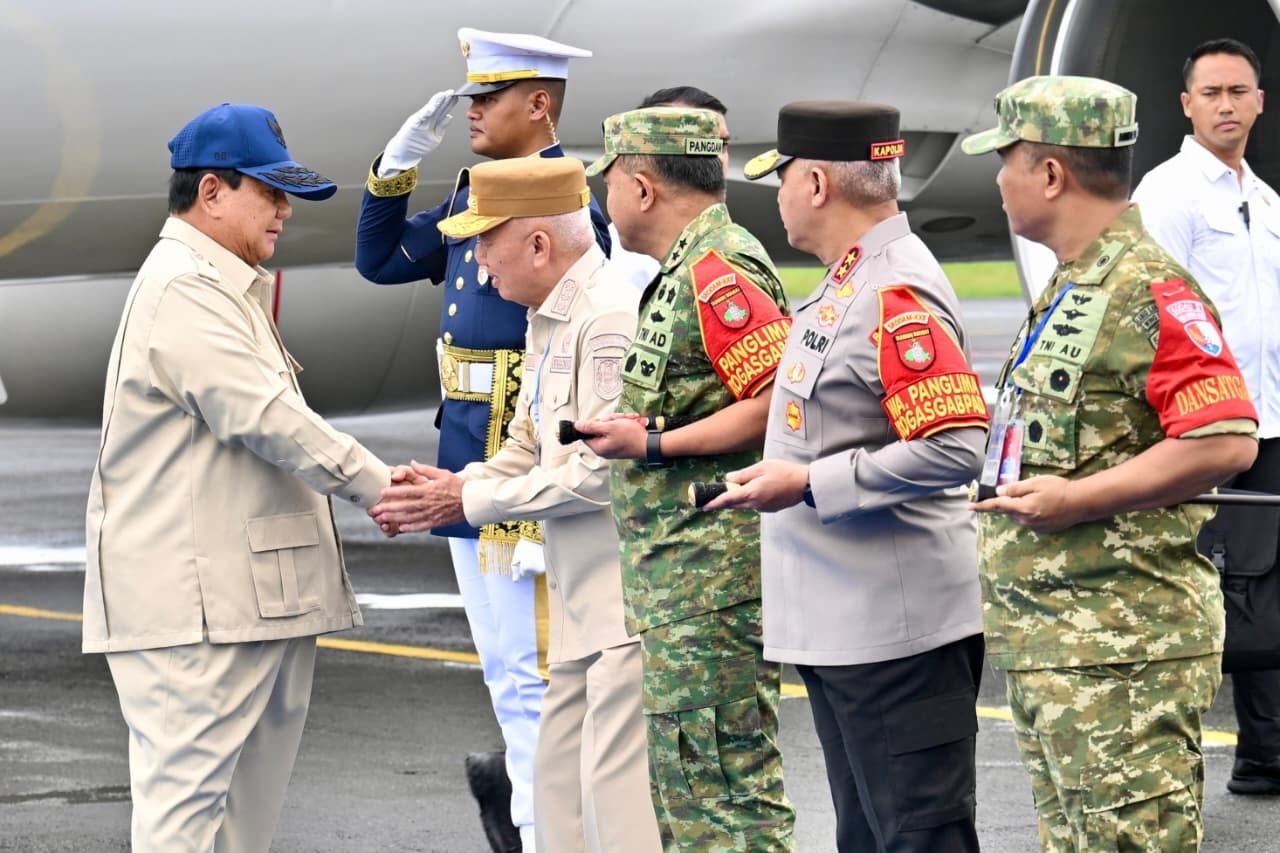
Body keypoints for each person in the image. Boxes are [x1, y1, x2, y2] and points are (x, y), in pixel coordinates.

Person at [82, 103, 392, 852]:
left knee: (237, 830)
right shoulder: (185, 288)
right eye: (271, 190)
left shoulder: (223, 283)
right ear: (212, 191)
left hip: (244, 602)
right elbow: (264, 416)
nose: (285, 209)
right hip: (198, 613)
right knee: (183, 829)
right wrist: (388, 488)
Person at [963, 75, 1260, 850]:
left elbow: (1226, 438)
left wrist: (1079, 498)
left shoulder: (1146, 285)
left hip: (1121, 651)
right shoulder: (1076, 282)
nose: (998, 180)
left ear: (1052, 173)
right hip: (1058, 644)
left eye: (1008, 160)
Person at [707, 100, 990, 851]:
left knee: (919, 837)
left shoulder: (895, 288)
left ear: (818, 183)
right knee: (867, 836)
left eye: (784, 178)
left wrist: (805, 484)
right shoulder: (849, 278)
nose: (779, 194)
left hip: (896, 637)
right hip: (846, 628)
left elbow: (957, 445)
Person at [353, 27, 611, 851]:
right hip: (471, 470)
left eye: (487, 98)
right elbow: (383, 259)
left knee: (537, 677)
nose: (471, 112)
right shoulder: (478, 195)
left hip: (527, 479)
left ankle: (547, 831)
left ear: (540, 105)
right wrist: (395, 165)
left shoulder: (563, 208)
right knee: (508, 676)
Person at [366, 156, 661, 853]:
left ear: (538, 243)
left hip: (620, 606)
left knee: (617, 811)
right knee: (555, 793)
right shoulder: (549, 315)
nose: (478, 263)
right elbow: (530, 441)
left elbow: (596, 472)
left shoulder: (608, 317)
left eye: (484, 243)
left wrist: (468, 498)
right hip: (576, 601)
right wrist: (452, 489)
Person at [576, 106, 797, 851]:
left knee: (726, 795)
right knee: (690, 793)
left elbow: (777, 401)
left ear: (641, 187)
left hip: (711, 579)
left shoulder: (719, 272)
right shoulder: (689, 268)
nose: (603, 198)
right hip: (681, 579)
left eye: (607, 182)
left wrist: (657, 443)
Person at [1132, 37, 1280, 797]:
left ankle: (1266, 754)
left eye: (1239, 91)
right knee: (1213, 593)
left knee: (1267, 594)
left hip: (1271, 422)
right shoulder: (1169, 194)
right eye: (1211, 92)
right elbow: (1154, 313)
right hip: (1206, 428)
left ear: (1260, 101)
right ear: (1186, 104)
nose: (1227, 104)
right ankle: (1171, 764)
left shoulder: (1266, 201)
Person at [607, 86, 731, 295]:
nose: (713, 158)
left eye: (721, 145)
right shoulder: (623, 253)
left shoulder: (727, 249)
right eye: (693, 144)